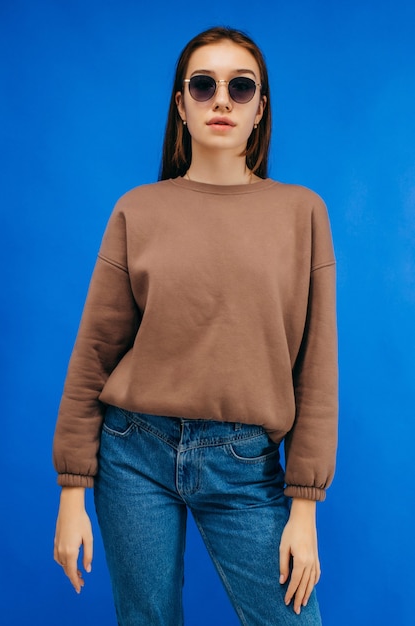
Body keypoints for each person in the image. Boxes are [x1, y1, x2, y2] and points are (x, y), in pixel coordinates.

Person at [53, 26, 338, 626]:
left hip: (244, 463)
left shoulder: (302, 212)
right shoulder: (139, 209)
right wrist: (72, 489)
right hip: (134, 453)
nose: (222, 100)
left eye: (241, 86)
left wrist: (304, 509)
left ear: (261, 109)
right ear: (181, 105)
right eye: (203, 85)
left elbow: (316, 368)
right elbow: (95, 350)